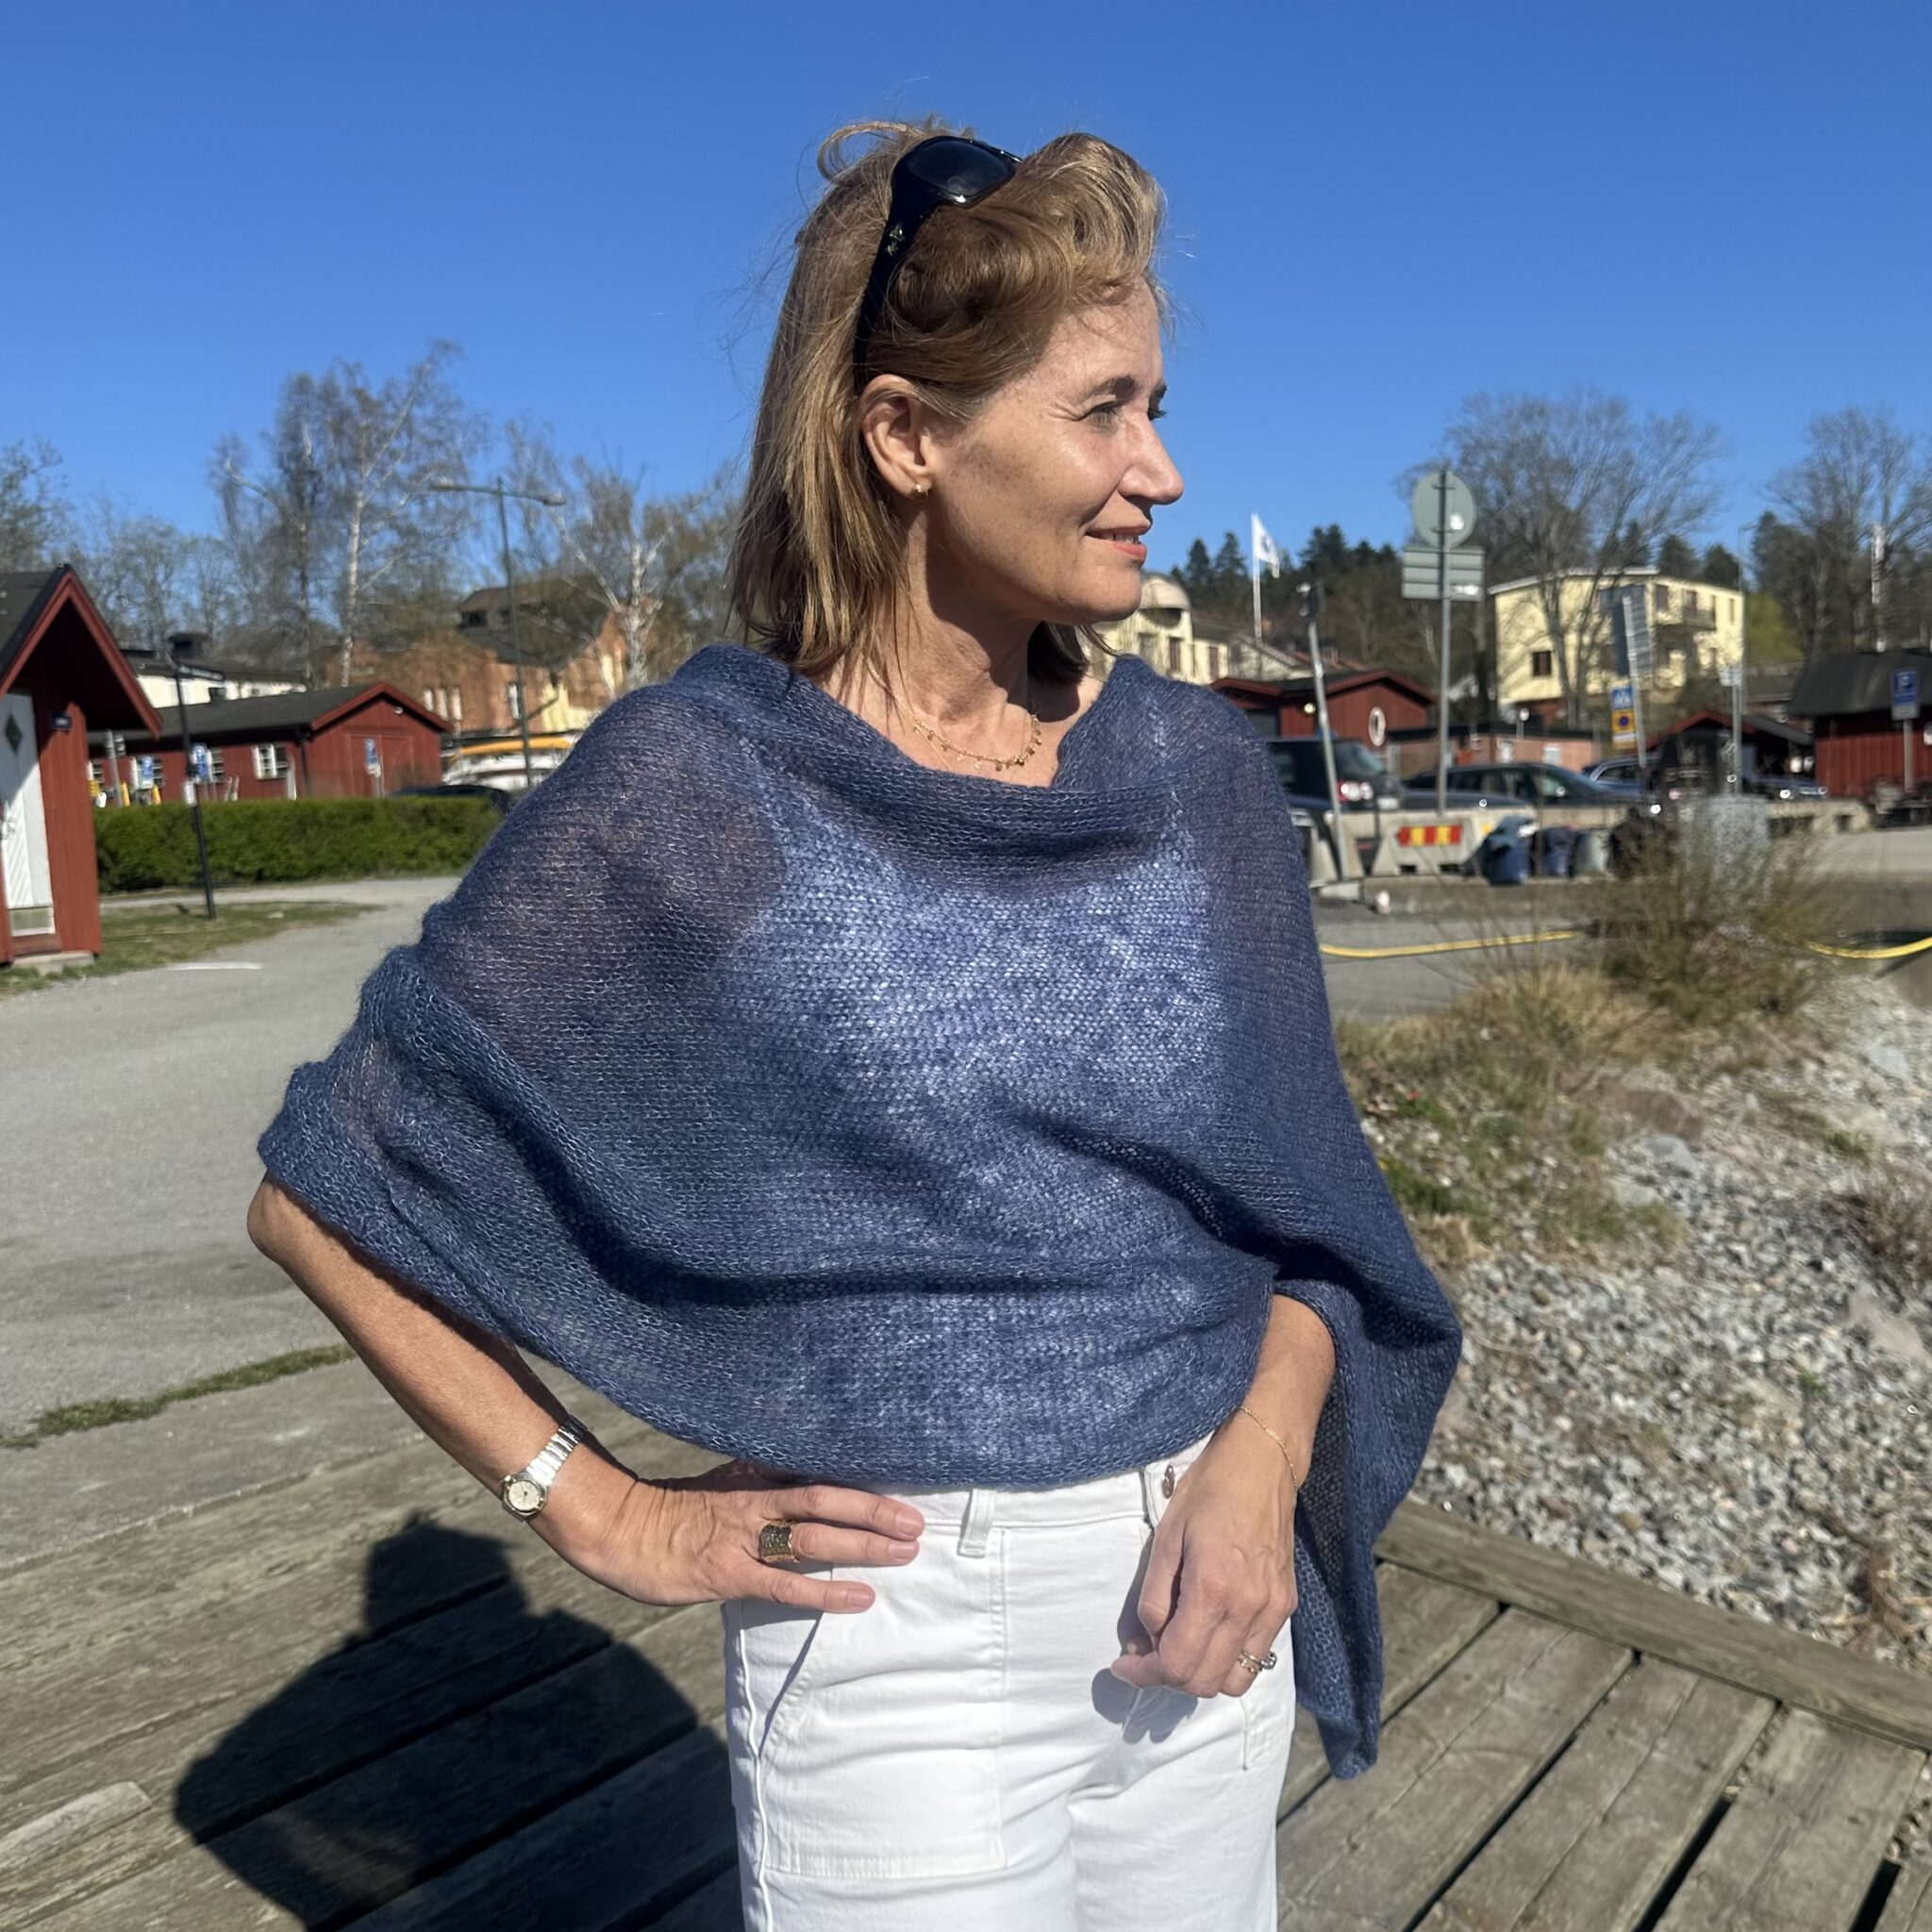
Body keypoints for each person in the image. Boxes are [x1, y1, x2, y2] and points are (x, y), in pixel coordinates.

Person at [248, 118, 1461, 1932]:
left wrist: (1266, 1459)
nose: (1164, 468)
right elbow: (325, 1194)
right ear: (906, 436)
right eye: (1106, 411)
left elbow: (1314, 1234)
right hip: (897, 1649)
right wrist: (600, 1507)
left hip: (1203, 1590)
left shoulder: (1200, 781)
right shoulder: (705, 786)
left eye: (1158, 406)